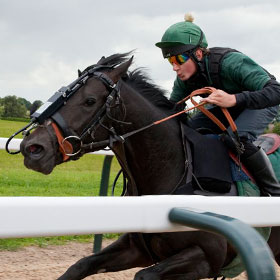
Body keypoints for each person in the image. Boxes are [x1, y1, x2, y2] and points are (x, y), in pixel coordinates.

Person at [155, 13, 280, 196]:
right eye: (170, 61)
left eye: (179, 59)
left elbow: (276, 91)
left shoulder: (231, 62)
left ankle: (273, 192)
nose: (175, 67)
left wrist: (234, 99)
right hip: (227, 105)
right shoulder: (183, 80)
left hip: (260, 103)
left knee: (236, 138)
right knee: (188, 131)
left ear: (198, 53)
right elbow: (171, 112)